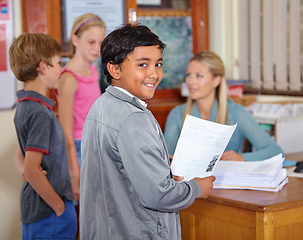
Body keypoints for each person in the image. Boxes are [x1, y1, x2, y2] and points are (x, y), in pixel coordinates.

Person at [80, 24, 215, 239]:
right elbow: (158, 195)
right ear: (115, 69)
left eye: (158, 64)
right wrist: (197, 188)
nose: (154, 73)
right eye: (143, 64)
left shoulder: (102, 105)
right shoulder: (134, 117)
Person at [10, 33, 76, 239]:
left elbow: (20, 156)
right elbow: (32, 168)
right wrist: (60, 208)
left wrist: (26, 171)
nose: (61, 69)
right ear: (43, 67)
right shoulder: (40, 113)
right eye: (58, 63)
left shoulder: (24, 106)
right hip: (50, 212)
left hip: (37, 210)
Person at [164, 51, 284, 162]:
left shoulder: (236, 112)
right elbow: (167, 157)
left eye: (199, 76)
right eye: (188, 75)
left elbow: (275, 151)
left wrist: (242, 158)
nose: (190, 81)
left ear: (216, 80)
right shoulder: (177, 114)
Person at [56, 13, 106, 202]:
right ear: (75, 39)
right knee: (83, 209)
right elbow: (65, 131)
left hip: (95, 143)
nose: (97, 49)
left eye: (101, 43)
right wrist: (74, 171)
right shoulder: (69, 78)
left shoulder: (92, 70)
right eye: (91, 42)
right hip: (78, 148)